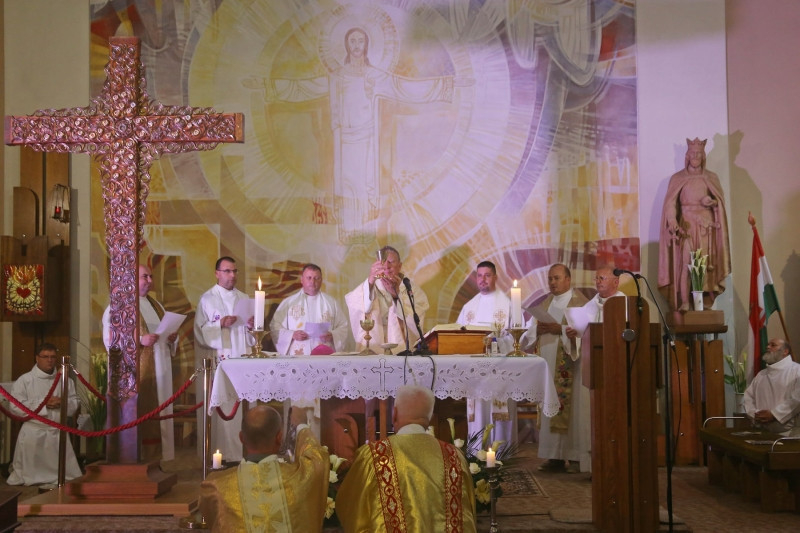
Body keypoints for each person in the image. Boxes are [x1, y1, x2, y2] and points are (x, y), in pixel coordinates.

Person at [336, 385, 477, 532]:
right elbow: (469, 511)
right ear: (429, 418)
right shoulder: (454, 456)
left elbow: (349, 506)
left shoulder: (373, 455)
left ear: (394, 414)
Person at [199, 404, 329, 532]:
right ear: (279, 438)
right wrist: (301, 425)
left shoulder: (215, 486)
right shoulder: (299, 479)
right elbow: (317, 460)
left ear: (241, 438)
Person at [102, 264, 178, 461]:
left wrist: (172, 338)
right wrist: (140, 340)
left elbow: (164, 333)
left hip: (161, 368)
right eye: (145, 276)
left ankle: (157, 459)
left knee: (160, 410)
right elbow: (111, 339)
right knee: (141, 412)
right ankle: (139, 458)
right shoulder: (120, 305)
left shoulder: (156, 305)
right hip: (137, 372)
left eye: (151, 276)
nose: (150, 281)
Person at [522, 264, 589, 473]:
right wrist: (537, 329)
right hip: (549, 366)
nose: (552, 282)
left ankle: (575, 456)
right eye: (550, 279)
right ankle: (554, 456)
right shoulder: (546, 304)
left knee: (574, 411)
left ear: (568, 279)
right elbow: (528, 334)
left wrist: (559, 329)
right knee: (550, 406)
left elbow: (585, 333)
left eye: (557, 278)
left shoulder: (581, 304)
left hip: (572, 367)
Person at [658, 138, 731, 311]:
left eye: (699, 153)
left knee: (703, 266)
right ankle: (684, 301)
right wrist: (672, 220)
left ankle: (701, 304)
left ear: (703, 156)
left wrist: (712, 202)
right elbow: (670, 204)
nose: (696, 156)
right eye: (693, 153)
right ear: (687, 156)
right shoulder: (678, 178)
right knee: (686, 264)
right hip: (687, 227)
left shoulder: (711, 177)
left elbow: (719, 202)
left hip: (706, 228)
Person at [194, 256, 255, 462]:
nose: (232, 275)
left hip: (242, 359)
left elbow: (252, 336)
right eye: (227, 271)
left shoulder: (244, 298)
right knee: (225, 408)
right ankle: (223, 456)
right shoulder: (207, 299)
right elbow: (199, 331)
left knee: (242, 409)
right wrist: (219, 324)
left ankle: (244, 454)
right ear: (217, 273)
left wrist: (251, 326)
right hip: (222, 361)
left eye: (235, 271)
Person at [456, 260, 517, 445]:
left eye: (487, 275)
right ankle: (477, 451)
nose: (483, 279)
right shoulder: (469, 307)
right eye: (480, 276)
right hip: (476, 371)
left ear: (495, 278)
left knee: (500, 414)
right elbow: (459, 336)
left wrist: (496, 342)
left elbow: (516, 338)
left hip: (501, 370)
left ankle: (502, 453)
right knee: (479, 411)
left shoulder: (507, 304)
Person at [7, 343, 82, 486]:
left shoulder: (65, 380)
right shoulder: (25, 380)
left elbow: (75, 402)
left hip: (57, 431)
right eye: (45, 357)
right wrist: (44, 404)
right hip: (35, 431)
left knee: (66, 476)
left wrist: (62, 402)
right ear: (37, 358)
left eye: (53, 357)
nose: (50, 360)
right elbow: (15, 407)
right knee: (30, 476)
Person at [345, 246, 429, 354]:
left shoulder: (411, 289)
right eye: (383, 262)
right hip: (375, 349)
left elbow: (414, 322)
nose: (387, 266)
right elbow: (357, 305)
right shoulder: (370, 286)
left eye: (391, 262)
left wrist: (396, 296)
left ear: (399, 266)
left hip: (401, 349)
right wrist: (370, 283)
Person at [269, 263, 350, 355]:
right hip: (298, 356)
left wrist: (333, 335)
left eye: (317, 278)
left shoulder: (331, 303)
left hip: (325, 356)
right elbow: (275, 326)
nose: (312, 281)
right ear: (302, 280)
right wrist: (291, 335)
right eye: (309, 278)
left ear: (321, 280)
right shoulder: (288, 303)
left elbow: (343, 326)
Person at [743, 339, 800, 436]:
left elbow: (797, 399)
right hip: (763, 431)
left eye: (773, 345)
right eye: (768, 345)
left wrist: (774, 414)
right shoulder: (761, 374)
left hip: (789, 433)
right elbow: (748, 397)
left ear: (785, 351)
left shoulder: (797, 371)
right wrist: (755, 414)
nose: (768, 347)